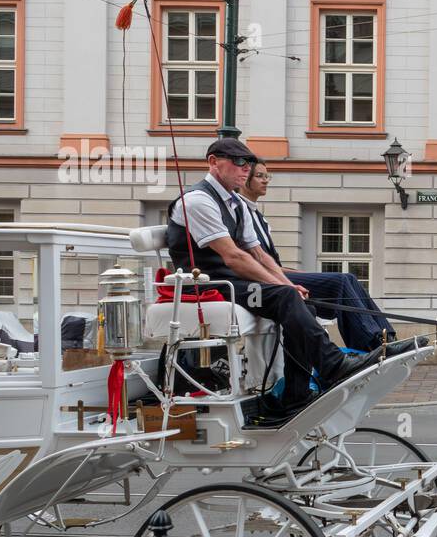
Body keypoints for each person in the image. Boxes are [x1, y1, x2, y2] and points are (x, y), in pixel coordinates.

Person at [167, 138, 380, 408]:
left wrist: (288, 283)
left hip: (235, 282)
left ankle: (296, 392)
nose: (245, 168)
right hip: (210, 285)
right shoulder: (197, 201)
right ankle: (333, 364)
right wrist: (285, 288)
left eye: (249, 163)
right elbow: (233, 257)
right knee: (286, 297)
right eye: (238, 162)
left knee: (301, 302)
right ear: (213, 162)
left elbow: (258, 254)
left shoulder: (237, 204)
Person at [240, 161, 420, 354]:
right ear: (244, 179)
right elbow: (254, 261)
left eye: (267, 176)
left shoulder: (258, 216)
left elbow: (272, 263)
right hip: (261, 282)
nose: (266, 181)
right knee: (340, 282)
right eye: (260, 176)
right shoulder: (241, 211)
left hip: (274, 276)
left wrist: (301, 274)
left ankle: (388, 337)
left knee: (349, 278)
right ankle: (373, 344)